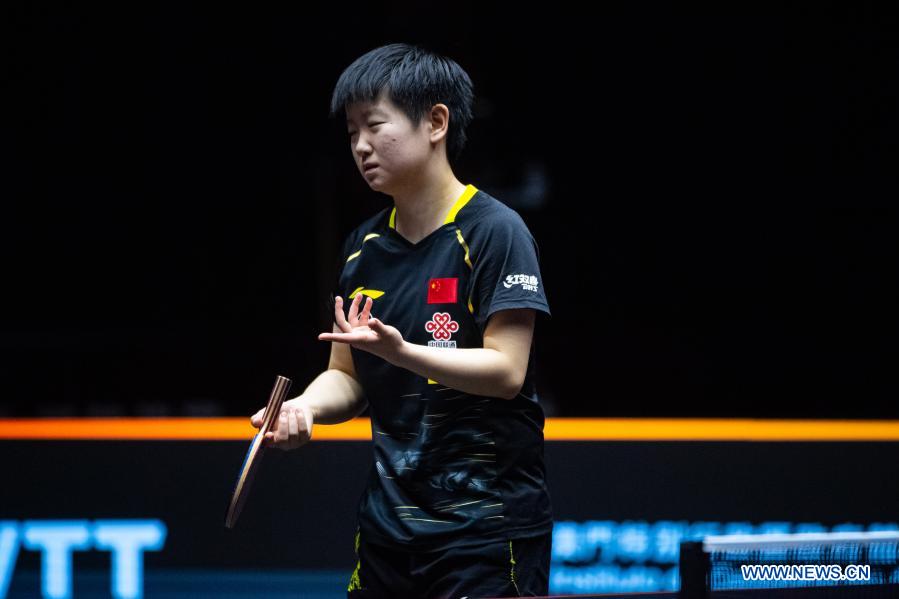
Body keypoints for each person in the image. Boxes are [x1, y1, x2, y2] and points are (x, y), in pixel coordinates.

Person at [250, 42, 553, 599]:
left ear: (435, 122)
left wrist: (402, 352)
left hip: (485, 534)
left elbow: (508, 371)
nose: (360, 146)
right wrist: (304, 409)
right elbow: (347, 375)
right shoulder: (362, 250)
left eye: (375, 125)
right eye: (350, 133)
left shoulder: (494, 232)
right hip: (388, 534)